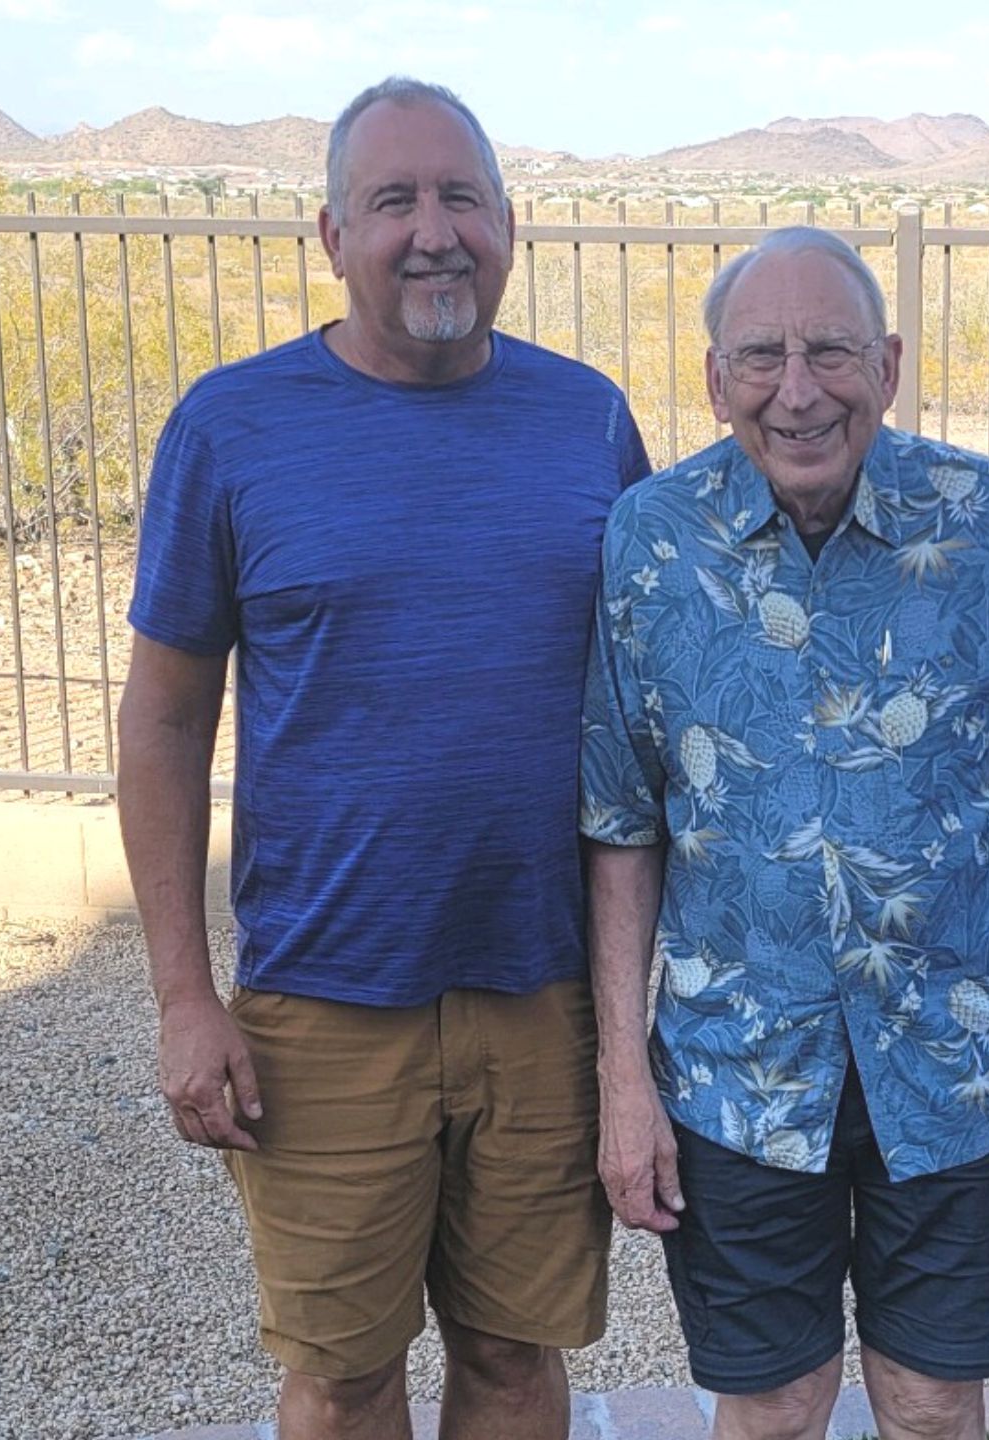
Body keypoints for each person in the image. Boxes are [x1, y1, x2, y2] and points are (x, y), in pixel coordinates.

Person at [116, 77, 649, 1440]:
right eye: (394, 200)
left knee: (517, 1362)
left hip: (543, 999)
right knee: (343, 1379)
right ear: (330, 232)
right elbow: (166, 720)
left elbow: (649, 707)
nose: (432, 233)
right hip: (323, 999)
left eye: (461, 197)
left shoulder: (587, 423)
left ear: (510, 226)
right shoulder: (232, 430)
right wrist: (187, 997)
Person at [580, 227, 989, 1440]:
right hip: (736, 1069)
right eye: (761, 355)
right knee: (773, 1406)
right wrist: (621, 1084)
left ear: (890, 362)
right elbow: (620, 826)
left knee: (929, 1403)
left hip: (955, 1066)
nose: (797, 390)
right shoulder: (650, 541)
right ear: (713, 379)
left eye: (831, 351)